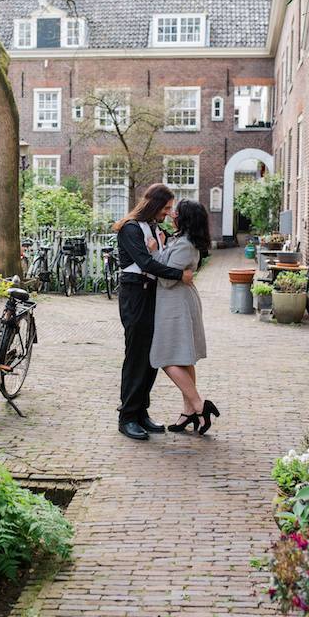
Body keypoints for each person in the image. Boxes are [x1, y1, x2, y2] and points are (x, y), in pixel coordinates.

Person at [113, 184, 194, 441]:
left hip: (152, 294)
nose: (169, 213)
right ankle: (126, 417)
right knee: (136, 354)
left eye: (171, 209)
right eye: (166, 208)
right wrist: (180, 275)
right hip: (135, 294)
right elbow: (146, 263)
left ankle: (141, 412)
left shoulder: (155, 228)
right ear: (154, 204)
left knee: (151, 356)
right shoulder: (130, 228)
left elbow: (166, 254)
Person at [148, 199, 220, 436]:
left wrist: (155, 252)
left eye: (176, 212)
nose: (172, 215)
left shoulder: (184, 245)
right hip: (179, 301)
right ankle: (188, 412)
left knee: (165, 357)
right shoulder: (184, 240)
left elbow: (168, 279)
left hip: (175, 304)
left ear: (185, 218)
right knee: (184, 358)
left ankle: (199, 405)